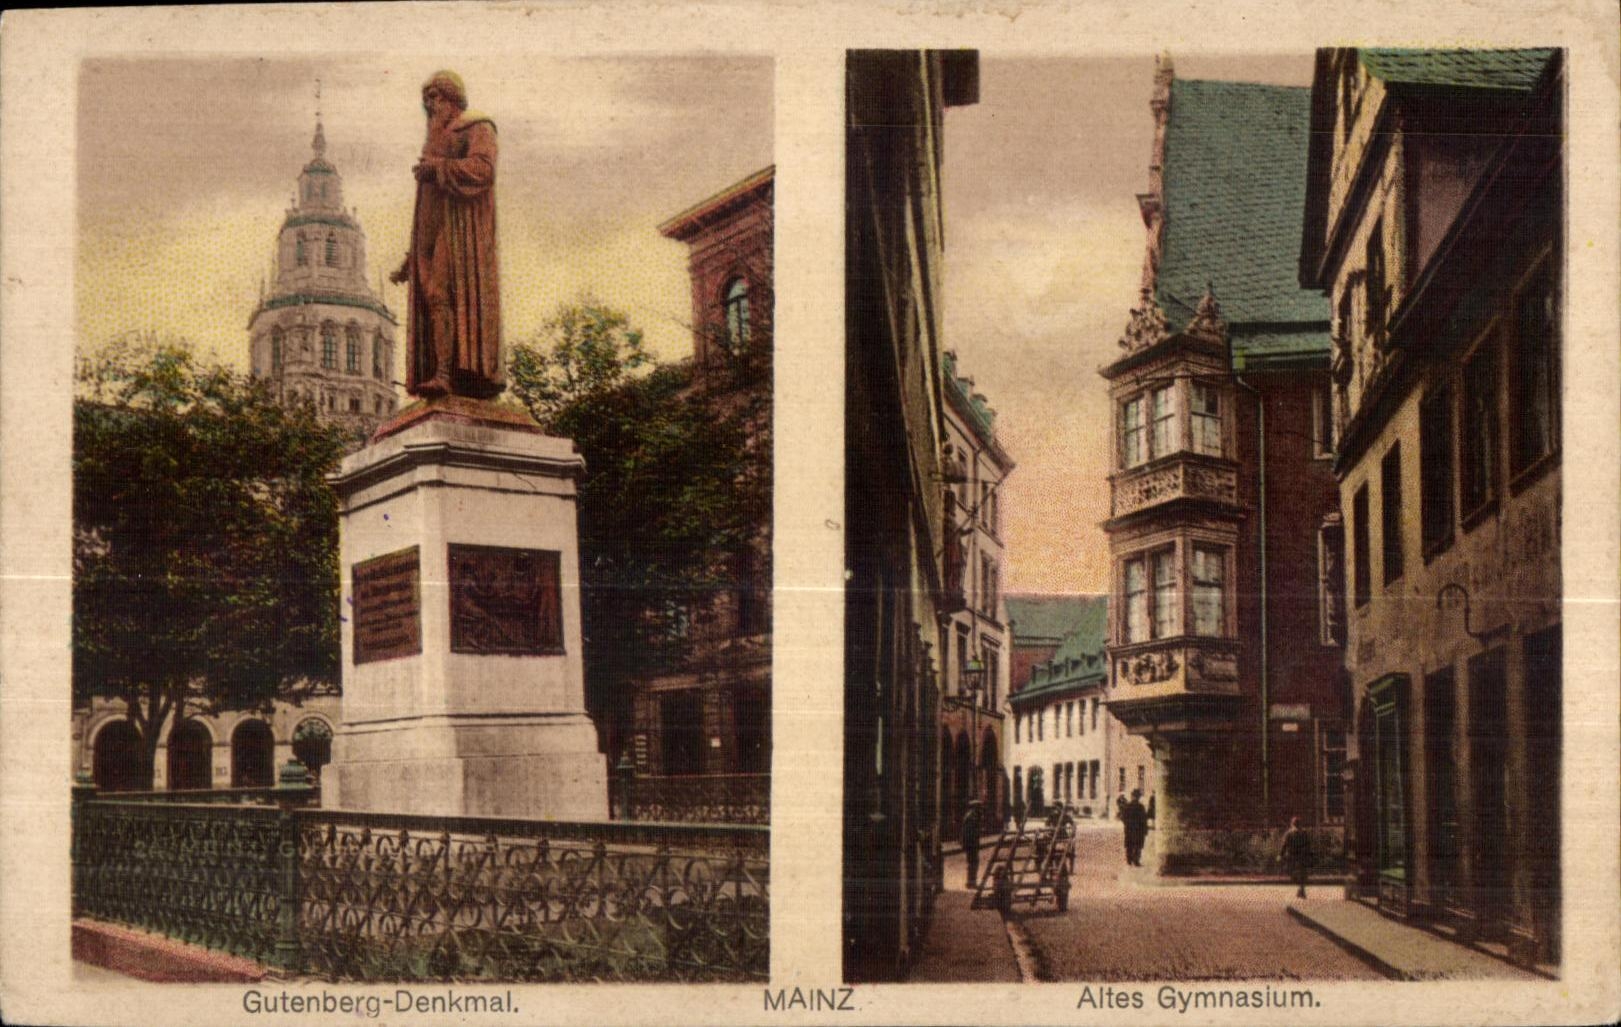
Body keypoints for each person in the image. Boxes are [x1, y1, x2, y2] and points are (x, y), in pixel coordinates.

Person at [392, 70, 504, 400]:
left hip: (460, 232)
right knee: (433, 300)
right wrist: (410, 259)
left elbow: (484, 169)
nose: (430, 105)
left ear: (453, 98)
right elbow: (427, 213)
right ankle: (441, 371)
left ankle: (445, 374)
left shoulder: (477, 126)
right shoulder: (434, 140)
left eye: (436, 97)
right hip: (431, 236)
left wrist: (438, 169)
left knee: (441, 294)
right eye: (426, 100)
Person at [1281, 816, 1313, 899]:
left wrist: (1280, 855)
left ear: (1292, 824)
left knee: (1293, 873)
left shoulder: (1289, 833)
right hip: (1303, 856)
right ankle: (1301, 889)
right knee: (1302, 873)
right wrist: (1309, 854)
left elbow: (1284, 845)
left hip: (1293, 856)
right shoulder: (1304, 833)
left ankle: (1301, 889)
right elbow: (1308, 845)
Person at [961, 800, 984, 890]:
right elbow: (970, 832)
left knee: (972, 863)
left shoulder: (971, 815)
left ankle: (971, 882)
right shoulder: (972, 817)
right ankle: (971, 882)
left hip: (971, 843)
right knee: (973, 863)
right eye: (979, 807)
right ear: (975, 808)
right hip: (971, 844)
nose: (980, 810)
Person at [1123, 789, 1149, 866]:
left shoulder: (1127, 806)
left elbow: (1123, 817)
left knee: (1129, 845)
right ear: (1138, 797)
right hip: (1138, 830)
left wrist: (1127, 824)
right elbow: (1144, 819)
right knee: (1137, 845)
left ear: (1132, 796)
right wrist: (1145, 830)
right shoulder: (1141, 807)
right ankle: (1136, 861)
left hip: (1129, 829)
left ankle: (1129, 860)